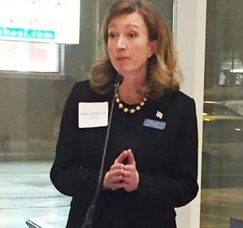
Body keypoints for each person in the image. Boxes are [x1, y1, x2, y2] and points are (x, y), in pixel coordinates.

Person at [50, 0, 199, 227]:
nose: (119, 44)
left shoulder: (178, 107)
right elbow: (61, 173)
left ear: (153, 46)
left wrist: (141, 183)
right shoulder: (84, 95)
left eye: (131, 35)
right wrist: (102, 180)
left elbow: (186, 187)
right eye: (112, 35)